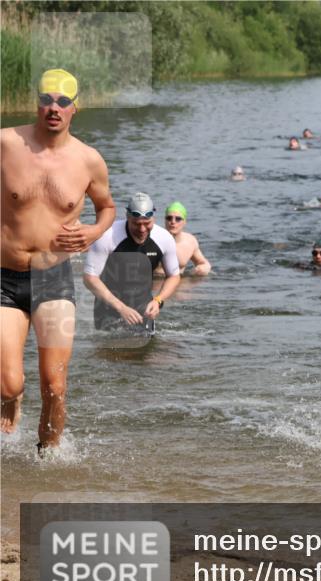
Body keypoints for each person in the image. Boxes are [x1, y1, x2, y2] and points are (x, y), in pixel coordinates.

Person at [1, 68, 116, 455]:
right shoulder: (6, 143)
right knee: (8, 384)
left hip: (54, 278)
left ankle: (47, 459)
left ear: (74, 109)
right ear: (37, 103)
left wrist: (94, 232)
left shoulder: (88, 160)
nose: (54, 107)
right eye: (47, 99)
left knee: (55, 385)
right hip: (4, 276)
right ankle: (12, 398)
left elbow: (108, 208)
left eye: (63, 101)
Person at [83, 193, 180, 335]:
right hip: (108, 307)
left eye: (147, 223)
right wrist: (121, 308)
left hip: (144, 308)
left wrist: (158, 300)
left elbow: (174, 276)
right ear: (127, 217)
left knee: (145, 355)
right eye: (136, 224)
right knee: (107, 355)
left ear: (153, 217)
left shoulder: (164, 238)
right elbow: (89, 278)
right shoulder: (108, 236)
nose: (142, 229)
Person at [163, 202, 211, 276]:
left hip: (181, 284)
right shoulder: (155, 239)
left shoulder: (190, 241)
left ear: (185, 222)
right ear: (165, 221)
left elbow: (203, 262)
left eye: (178, 219)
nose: (173, 222)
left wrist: (203, 268)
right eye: (169, 218)